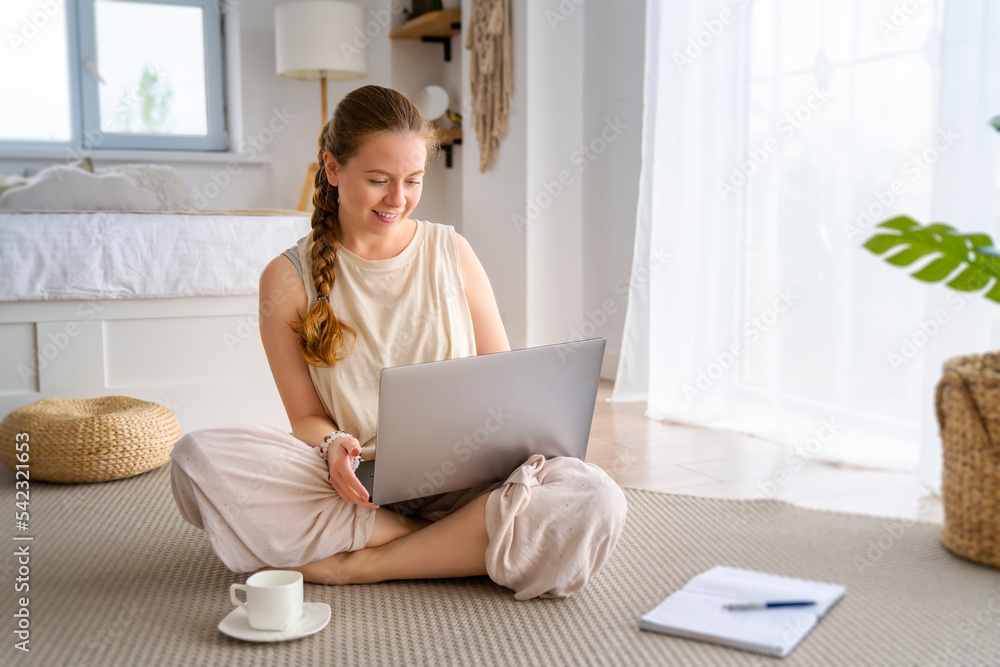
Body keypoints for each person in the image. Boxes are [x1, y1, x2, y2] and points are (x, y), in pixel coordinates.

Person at [170, 85, 627, 600]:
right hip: (359, 486)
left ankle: (365, 564)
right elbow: (304, 418)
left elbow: (505, 380)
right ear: (332, 168)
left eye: (413, 181)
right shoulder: (287, 278)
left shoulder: (452, 251)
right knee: (198, 458)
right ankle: (448, 546)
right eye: (378, 180)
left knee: (594, 497)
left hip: (472, 478)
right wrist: (331, 446)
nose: (398, 199)